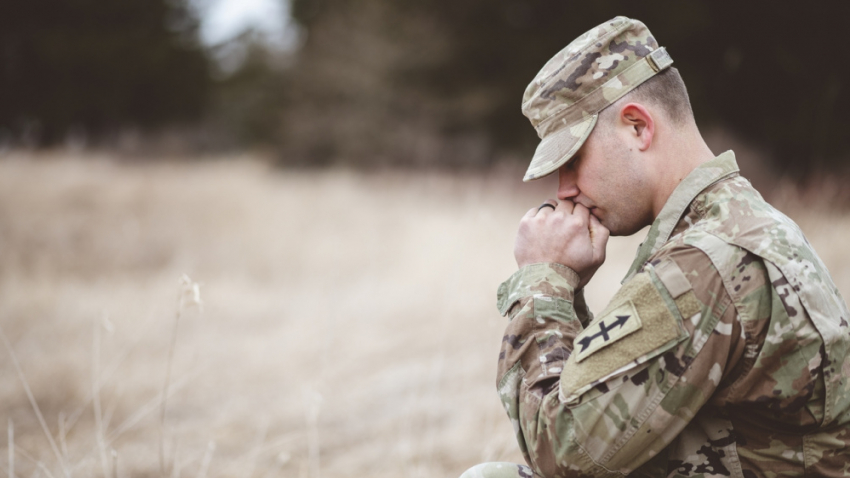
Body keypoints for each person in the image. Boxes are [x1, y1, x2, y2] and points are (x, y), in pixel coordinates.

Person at [461, 16, 850, 478]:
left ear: (637, 128)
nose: (563, 189)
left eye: (572, 160)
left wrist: (543, 281)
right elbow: (610, 403)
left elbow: (564, 454)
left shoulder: (709, 261)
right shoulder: (735, 224)